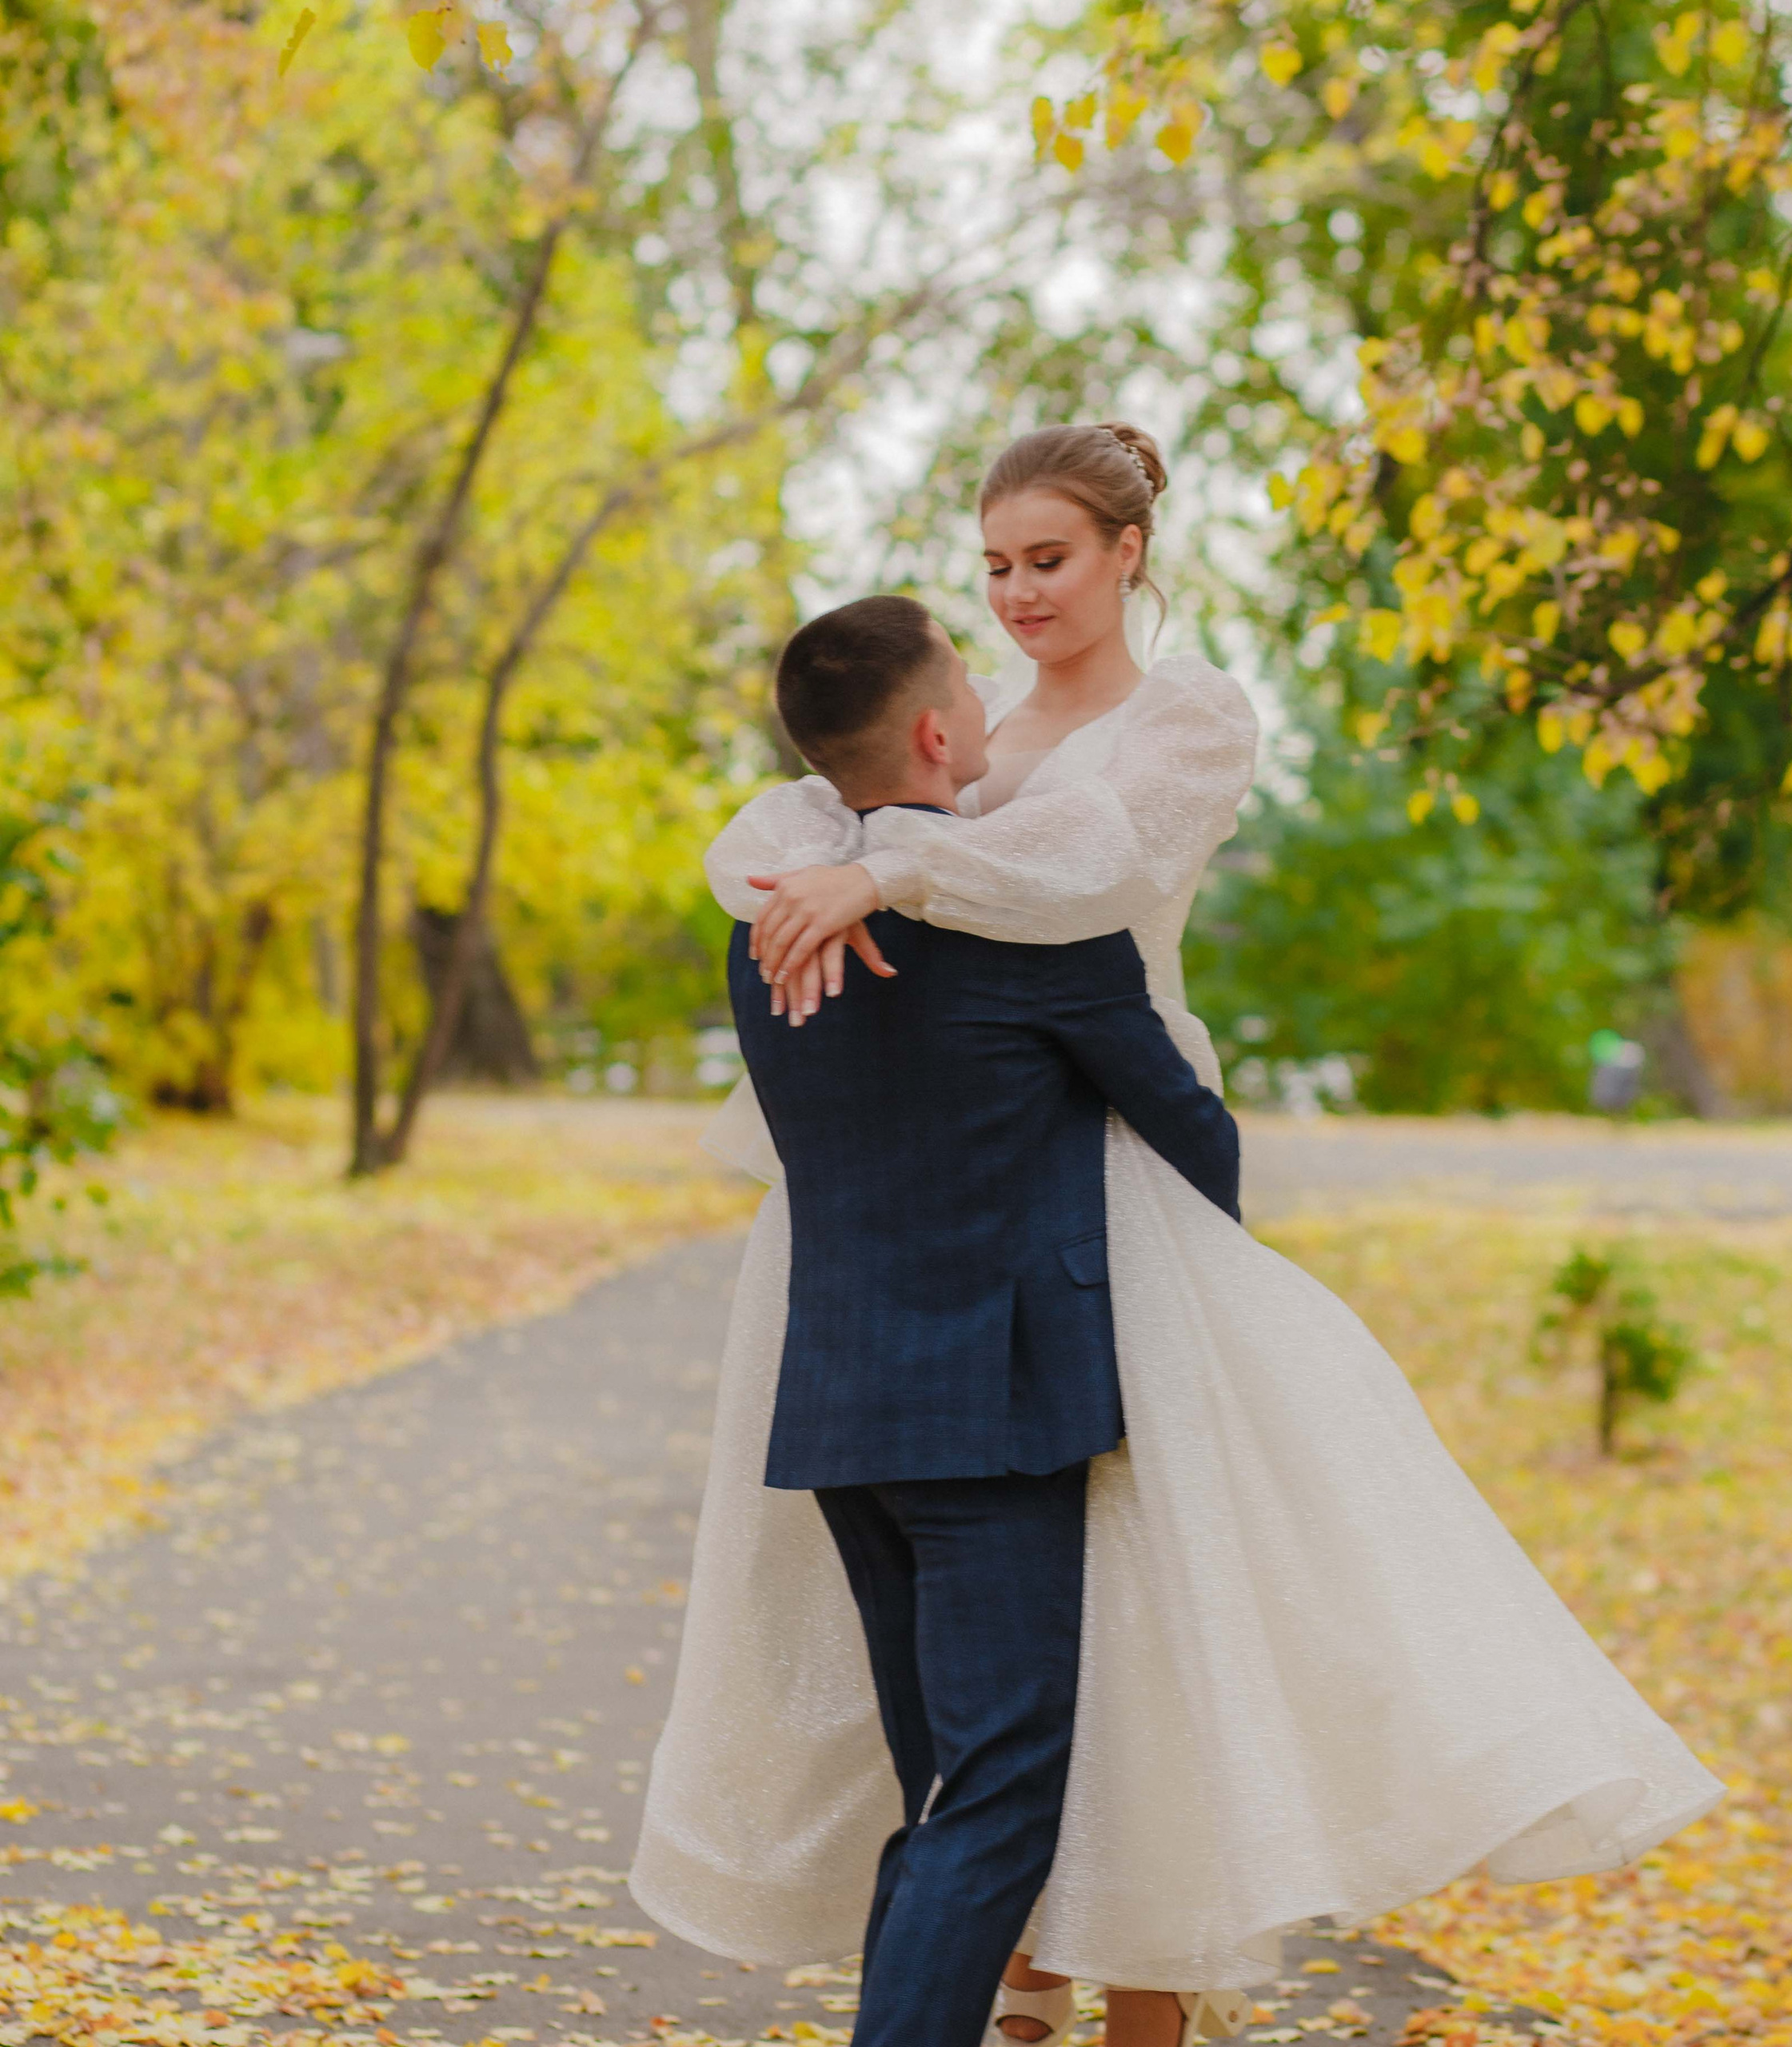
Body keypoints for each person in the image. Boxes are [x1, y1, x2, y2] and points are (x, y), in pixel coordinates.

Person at [631, 424, 1724, 2047]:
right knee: (992, 1741)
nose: (1014, 592)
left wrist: (885, 873)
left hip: (1103, 1189)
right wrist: (843, 871)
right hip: (972, 1205)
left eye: (1047, 558)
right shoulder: (966, 739)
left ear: (1128, 549)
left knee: (1154, 1613)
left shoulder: (1179, 718)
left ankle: (1111, 1980)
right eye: (993, 564)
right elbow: (824, 820)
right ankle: (1008, 1969)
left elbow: (1086, 868)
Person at [725, 591, 1241, 2047]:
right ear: (942, 731)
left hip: (840, 1411)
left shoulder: (767, 940)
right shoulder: (1036, 936)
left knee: (941, 1794)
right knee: (1003, 1802)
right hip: (996, 1417)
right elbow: (1193, 1136)